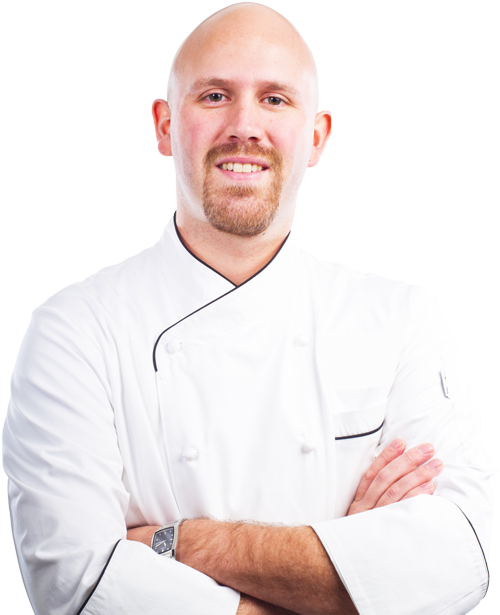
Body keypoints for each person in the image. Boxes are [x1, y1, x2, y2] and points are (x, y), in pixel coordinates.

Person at [2, 3, 496, 614]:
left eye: (275, 99)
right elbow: (77, 586)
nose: (244, 126)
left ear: (316, 137)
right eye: (214, 96)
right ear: (164, 126)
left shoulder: (400, 321)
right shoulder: (74, 333)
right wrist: (357, 581)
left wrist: (189, 543)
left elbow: (458, 558)